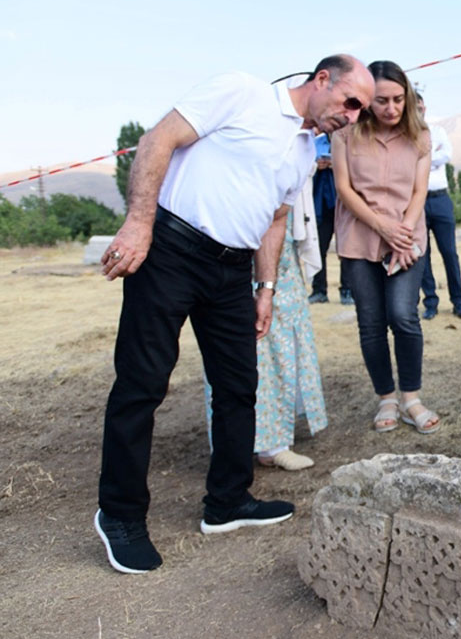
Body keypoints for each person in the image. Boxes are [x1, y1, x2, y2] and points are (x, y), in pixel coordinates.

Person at [95, 54, 374, 574]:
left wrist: (264, 288)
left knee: (239, 386)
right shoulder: (243, 92)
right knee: (142, 383)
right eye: (350, 102)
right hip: (171, 253)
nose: (353, 116)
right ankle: (120, 515)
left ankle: (227, 501)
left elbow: (272, 223)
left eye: (362, 109)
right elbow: (159, 140)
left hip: (232, 274)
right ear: (321, 81)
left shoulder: (302, 151)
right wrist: (139, 222)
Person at [332, 60, 441, 436]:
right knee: (371, 323)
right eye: (381, 101)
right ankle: (386, 397)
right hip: (359, 237)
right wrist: (382, 228)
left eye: (398, 99)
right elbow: (344, 190)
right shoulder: (346, 134)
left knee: (404, 316)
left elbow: (419, 191)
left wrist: (404, 233)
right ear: (366, 101)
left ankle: (411, 397)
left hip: (407, 240)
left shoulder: (420, 136)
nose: (391, 108)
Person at [204, 205, 328, 471]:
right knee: (252, 341)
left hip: (278, 241)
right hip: (237, 236)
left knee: (283, 335)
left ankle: (275, 437)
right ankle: (258, 444)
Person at [415, 93, 461, 320]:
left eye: (419, 107)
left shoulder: (438, 132)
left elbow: (445, 154)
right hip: (417, 201)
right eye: (413, 107)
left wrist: (424, 156)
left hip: (440, 200)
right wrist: (429, 154)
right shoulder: (404, 136)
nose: (417, 111)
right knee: (422, 255)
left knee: (449, 252)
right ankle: (430, 302)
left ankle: (458, 301)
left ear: (424, 108)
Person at [308, 133, 352, 305]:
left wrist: (337, 164)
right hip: (321, 204)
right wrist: (315, 165)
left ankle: (347, 291)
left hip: (344, 205)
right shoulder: (315, 142)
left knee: (347, 249)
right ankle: (319, 290)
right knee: (319, 249)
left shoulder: (350, 140)